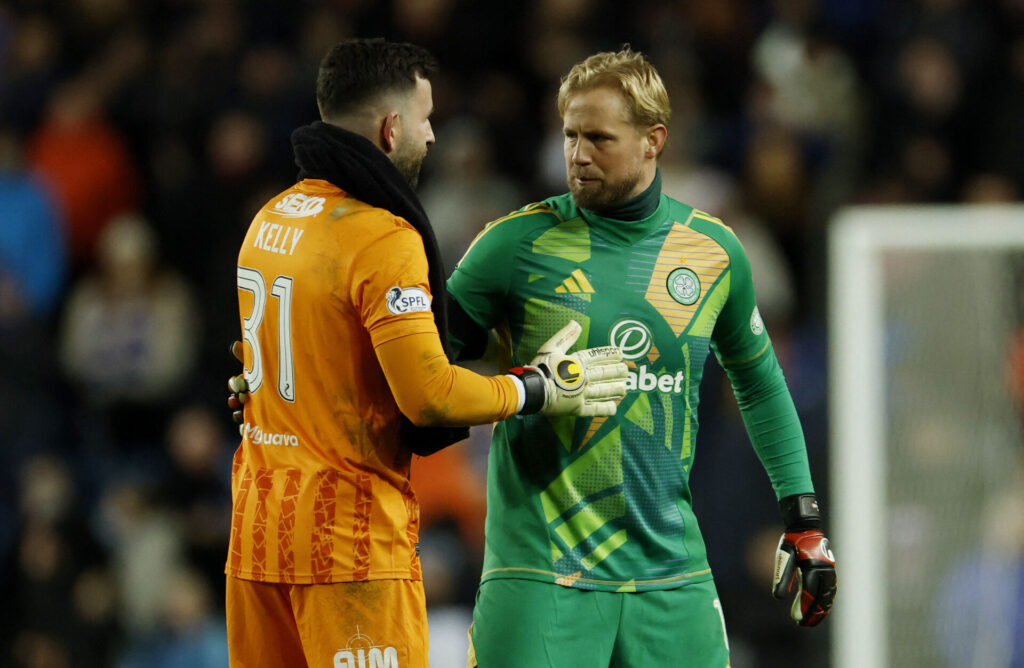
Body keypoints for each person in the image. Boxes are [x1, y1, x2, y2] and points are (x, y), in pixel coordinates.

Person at [223, 38, 627, 668]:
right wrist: (540, 387)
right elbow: (430, 396)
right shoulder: (380, 237)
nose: (433, 136)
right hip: (348, 549)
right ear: (390, 129)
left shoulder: (270, 221)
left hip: (256, 542)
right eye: (425, 118)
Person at [444, 47, 837, 666]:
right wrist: (517, 384)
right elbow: (418, 368)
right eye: (570, 135)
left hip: (672, 576)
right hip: (541, 574)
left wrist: (804, 520)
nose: (577, 154)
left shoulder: (713, 252)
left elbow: (761, 387)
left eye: (599, 137)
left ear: (654, 141)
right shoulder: (513, 245)